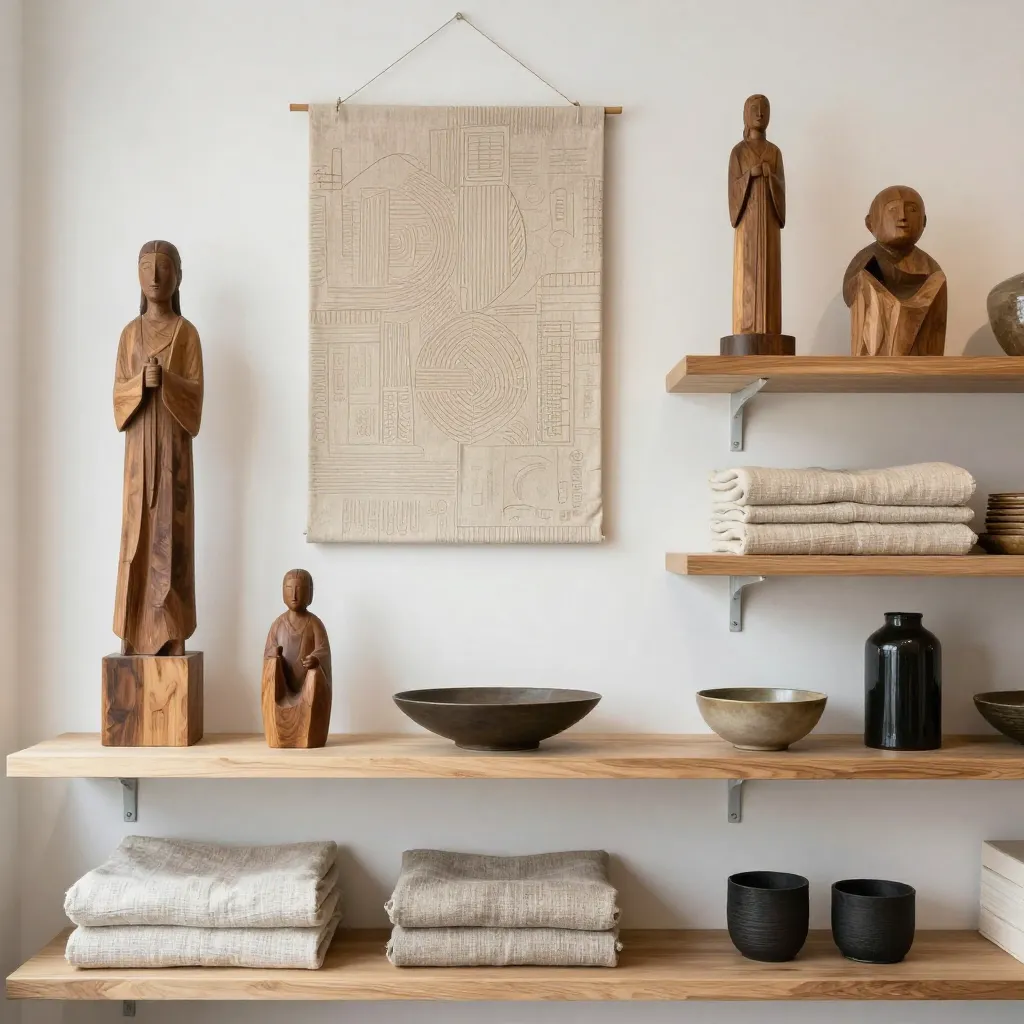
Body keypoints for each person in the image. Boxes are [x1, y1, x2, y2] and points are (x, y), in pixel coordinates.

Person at [113, 241, 203, 656]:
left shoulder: (187, 335)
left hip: (173, 456)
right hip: (137, 458)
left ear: (177, 276)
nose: (154, 276)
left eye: (163, 268)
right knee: (136, 538)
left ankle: (173, 633)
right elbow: (117, 398)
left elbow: (196, 397)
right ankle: (132, 630)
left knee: (171, 537)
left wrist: (167, 381)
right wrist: (138, 386)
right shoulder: (130, 335)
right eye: (146, 267)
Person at [843, 186, 946, 356]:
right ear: (870, 223)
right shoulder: (865, 261)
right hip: (873, 348)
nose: (903, 217)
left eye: (912, 210)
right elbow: (850, 294)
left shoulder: (930, 268)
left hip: (923, 354)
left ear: (924, 221)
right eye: (893, 209)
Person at [729, 94, 786, 337]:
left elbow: (782, 185)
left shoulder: (774, 152)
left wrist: (770, 177)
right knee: (748, 272)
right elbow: (733, 186)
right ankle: (746, 327)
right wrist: (749, 175)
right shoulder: (739, 152)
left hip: (770, 224)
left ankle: (770, 329)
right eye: (754, 108)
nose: (760, 113)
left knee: (770, 271)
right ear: (745, 114)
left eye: (764, 108)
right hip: (748, 223)